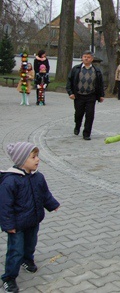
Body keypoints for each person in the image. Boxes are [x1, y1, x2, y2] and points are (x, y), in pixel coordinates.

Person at [0, 142, 60, 293]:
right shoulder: (10, 181)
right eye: (33, 157)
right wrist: (8, 225)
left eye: (37, 156)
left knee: (30, 244)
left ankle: (27, 260)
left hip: (33, 220)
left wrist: (52, 204)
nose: (37, 160)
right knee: (15, 251)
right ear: (21, 160)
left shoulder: (38, 177)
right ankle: (9, 278)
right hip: (17, 225)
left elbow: (45, 194)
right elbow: (5, 206)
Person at [66, 50, 105, 140]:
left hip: (91, 96)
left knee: (90, 115)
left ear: (92, 59)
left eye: (88, 57)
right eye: (85, 57)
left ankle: (86, 133)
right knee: (78, 114)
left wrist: (101, 95)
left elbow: (100, 84)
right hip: (78, 95)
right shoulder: (76, 69)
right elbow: (69, 81)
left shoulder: (96, 70)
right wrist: (70, 93)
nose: (86, 58)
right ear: (82, 58)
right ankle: (77, 126)